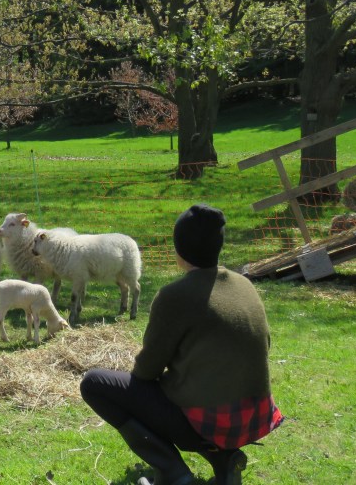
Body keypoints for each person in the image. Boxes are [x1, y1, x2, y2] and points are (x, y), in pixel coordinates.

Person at [80, 204, 283, 485]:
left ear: (179, 249)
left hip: (211, 423)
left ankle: (173, 472)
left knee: (94, 383)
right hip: (255, 418)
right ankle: (223, 459)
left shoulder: (174, 296)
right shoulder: (244, 284)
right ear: (219, 245)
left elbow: (146, 371)